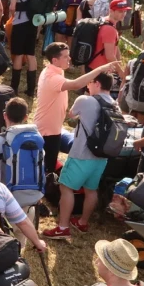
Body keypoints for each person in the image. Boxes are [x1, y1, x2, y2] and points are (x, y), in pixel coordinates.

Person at [45, 71, 119, 239]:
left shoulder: (85, 100)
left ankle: (63, 227)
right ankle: (83, 222)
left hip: (81, 154)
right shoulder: (115, 104)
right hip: (101, 157)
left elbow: (70, 115)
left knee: (65, 187)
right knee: (91, 189)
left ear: (97, 83)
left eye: (90, 81)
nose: (87, 84)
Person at [34, 43, 120, 184]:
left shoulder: (56, 71)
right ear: (55, 60)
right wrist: (100, 69)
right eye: (65, 56)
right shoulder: (51, 77)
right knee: (45, 170)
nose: (69, 59)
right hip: (48, 131)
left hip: (53, 128)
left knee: (48, 166)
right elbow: (75, 85)